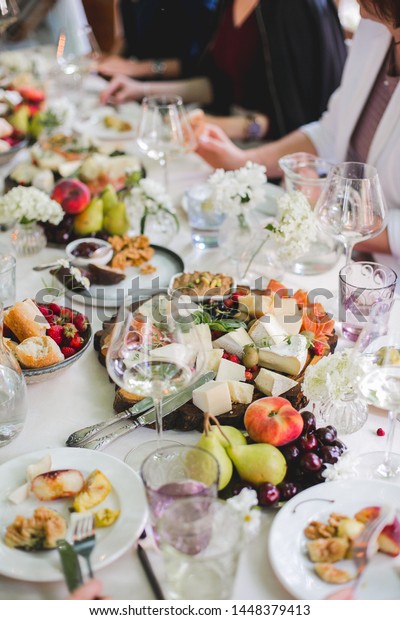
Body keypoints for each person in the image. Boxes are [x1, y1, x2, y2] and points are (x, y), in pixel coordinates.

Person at [194, 0, 400, 260]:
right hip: (340, 252)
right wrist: (244, 161)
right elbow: (331, 131)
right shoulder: (374, 30)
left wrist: (326, 210)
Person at [100, 0, 347, 143]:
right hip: (228, 141)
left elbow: (300, 120)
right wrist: (143, 90)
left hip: (268, 156)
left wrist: (223, 125)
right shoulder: (228, 4)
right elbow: (217, 83)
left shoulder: (293, 8)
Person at [97, 0, 219, 81]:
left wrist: (135, 68)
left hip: (177, 90)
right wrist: (108, 61)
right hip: (138, 84)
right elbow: (127, 39)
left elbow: (191, 64)